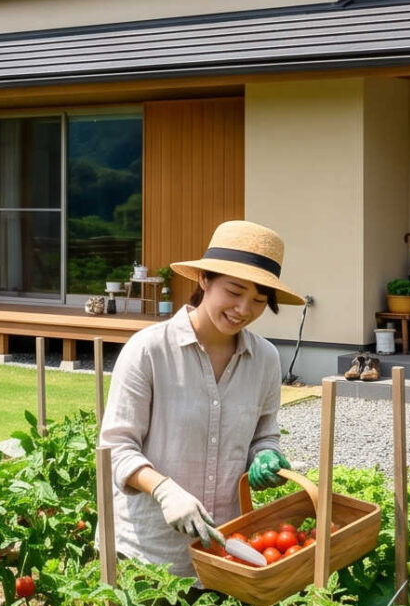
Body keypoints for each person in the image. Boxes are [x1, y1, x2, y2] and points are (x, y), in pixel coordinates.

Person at [101, 220, 301, 577]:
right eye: (234, 291)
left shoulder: (266, 359)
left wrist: (267, 455)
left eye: (258, 300)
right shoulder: (148, 350)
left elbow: (263, 435)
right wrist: (163, 490)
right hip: (146, 553)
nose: (243, 309)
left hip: (225, 548)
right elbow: (116, 448)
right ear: (204, 280)